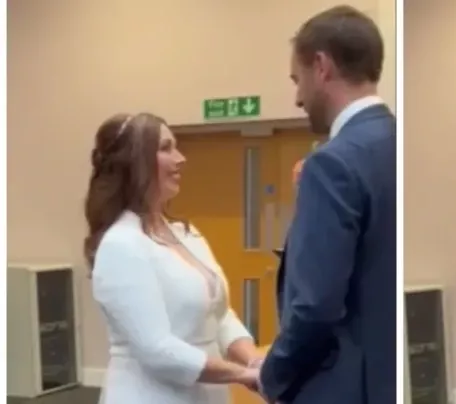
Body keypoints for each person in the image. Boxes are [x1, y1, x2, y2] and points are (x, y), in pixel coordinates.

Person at [257, 5, 396, 404]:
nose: (298, 98)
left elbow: (316, 305)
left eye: (297, 80)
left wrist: (272, 374)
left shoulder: (331, 163)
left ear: (321, 66)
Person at [85, 113, 262, 404]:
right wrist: (243, 374)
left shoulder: (186, 233)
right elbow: (157, 350)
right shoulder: (122, 244)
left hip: (207, 394)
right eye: (166, 148)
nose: (181, 159)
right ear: (136, 162)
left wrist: (254, 361)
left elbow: (219, 315)